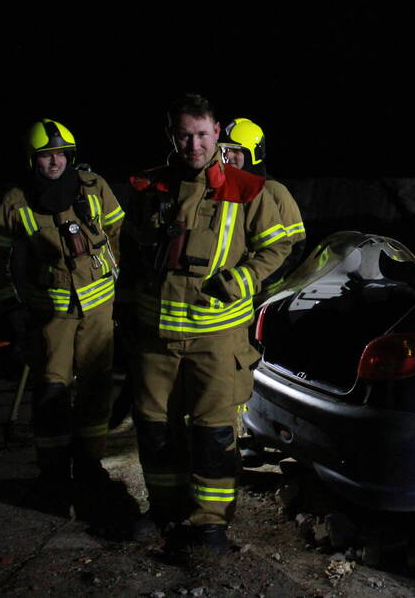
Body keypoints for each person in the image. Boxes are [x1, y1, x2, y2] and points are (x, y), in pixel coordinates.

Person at [125, 94, 298, 551]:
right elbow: (131, 252)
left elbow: (278, 246)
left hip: (216, 337)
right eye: (185, 134)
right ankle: (163, 508)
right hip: (155, 339)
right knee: (154, 427)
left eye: (202, 134)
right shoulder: (148, 186)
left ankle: (210, 523)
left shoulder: (248, 188)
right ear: (171, 135)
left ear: (216, 132)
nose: (194, 144)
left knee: (213, 432)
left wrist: (242, 279)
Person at [0, 120, 124, 515]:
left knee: (97, 388)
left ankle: (90, 464)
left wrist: (123, 287)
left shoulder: (94, 187)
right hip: (50, 316)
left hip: (98, 310)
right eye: (46, 156)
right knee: (51, 393)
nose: (54, 162)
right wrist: (10, 305)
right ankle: (52, 474)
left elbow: (120, 234)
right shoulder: (17, 200)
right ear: (32, 160)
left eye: (61, 154)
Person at [218, 118, 305, 301]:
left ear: (253, 154)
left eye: (236, 150)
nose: (228, 156)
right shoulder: (227, 189)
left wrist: (262, 284)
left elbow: (295, 245)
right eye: (225, 150)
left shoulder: (274, 191)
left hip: (261, 294)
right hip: (230, 290)